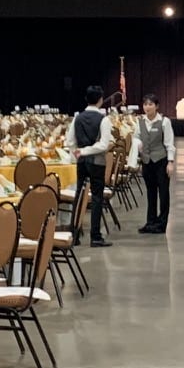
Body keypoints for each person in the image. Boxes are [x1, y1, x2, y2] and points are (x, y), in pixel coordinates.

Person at [68, 84, 114, 248]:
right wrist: (87, 151)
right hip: (97, 162)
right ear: (101, 100)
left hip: (81, 162)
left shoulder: (77, 117)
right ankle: (95, 236)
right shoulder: (104, 119)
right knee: (96, 198)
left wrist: (78, 154)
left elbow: (70, 142)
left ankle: (74, 234)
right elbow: (103, 145)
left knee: (79, 196)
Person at [130, 94, 176, 235]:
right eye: (145, 104)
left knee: (163, 193)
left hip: (161, 161)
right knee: (150, 193)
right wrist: (137, 144)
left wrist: (170, 162)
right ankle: (150, 222)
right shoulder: (140, 121)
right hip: (147, 161)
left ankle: (162, 224)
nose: (147, 107)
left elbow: (169, 142)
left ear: (157, 106)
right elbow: (136, 136)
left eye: (150, 104)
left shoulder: (164, 121)